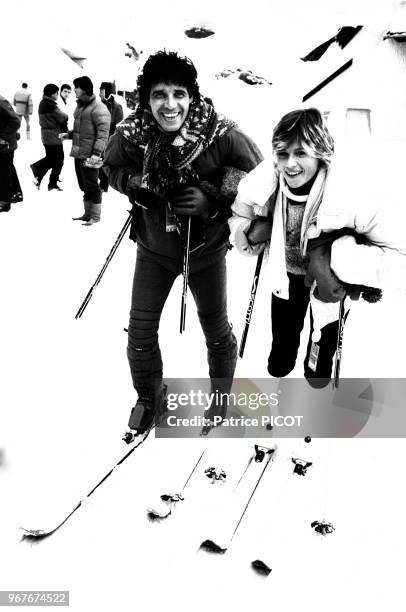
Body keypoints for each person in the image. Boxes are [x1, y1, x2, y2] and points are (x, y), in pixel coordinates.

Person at [103, 50, 262, 436]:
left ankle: (221, 397)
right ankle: (148, 397)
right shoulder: (132, 134)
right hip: (154, 250)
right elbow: (111, 167)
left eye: (179, 94)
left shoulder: (221, 134)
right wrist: (134, 185)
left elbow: (262, 183)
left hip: (205, 252)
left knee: (215, 328)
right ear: (146, 99)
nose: (169, 104)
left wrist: (214, 200)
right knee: (139, 331)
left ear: (192, 97)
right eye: (159, 95)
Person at [229, 108, 406, 387]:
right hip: (285, 280)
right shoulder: (269, 182)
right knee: (281, 352)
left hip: (327, 288)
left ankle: (315, 396)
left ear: (320, 153)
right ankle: (281, 384)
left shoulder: (348, 193)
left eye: (301, 153)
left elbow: (399, 255)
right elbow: (239, 212)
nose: (290, 164)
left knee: (320, 360)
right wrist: (247, 231)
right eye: (283, 153)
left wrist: (338, 259)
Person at [60, 76, 111, 225]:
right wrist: (68, 135)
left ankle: (95, 216)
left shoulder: (99, 108)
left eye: (76, 87)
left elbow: (103, 135)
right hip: (79, 153)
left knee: (92, 185)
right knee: (84, 185)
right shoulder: (81, 106)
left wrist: (96, 154)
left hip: (91, 155)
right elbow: (80, 129)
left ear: (84, 89)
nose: (74, 90)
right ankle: (87, 213)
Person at [30, 84, 68, 191]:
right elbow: (64, 117)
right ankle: (37, 169)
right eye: (56, 93)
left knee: (53, 159)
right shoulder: (50, 105)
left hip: (46, 136)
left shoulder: (43, 103)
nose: (57, 94)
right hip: (53, 137)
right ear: (52, 94)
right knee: (57, 160)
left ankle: (46, 180)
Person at [98, 81, 124, 192]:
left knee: (104, 161)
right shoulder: (99, 104)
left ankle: (104, 185)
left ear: (106, 91)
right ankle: (102, 183)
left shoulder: (116, 107)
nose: (99, 93)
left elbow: (119, 125)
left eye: (101, 91)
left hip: (109, 138)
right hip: (99, 136)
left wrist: (111, 139)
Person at [0, 94, 21, 212]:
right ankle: (16, 194)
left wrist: (3, 136)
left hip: (4, 143)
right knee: (8, 169)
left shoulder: (0, 102)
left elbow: (15, 121)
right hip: (5, 143)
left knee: (3, 172)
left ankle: (4, 202)